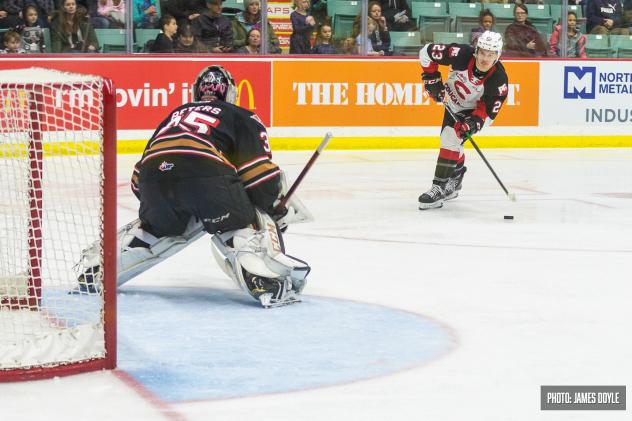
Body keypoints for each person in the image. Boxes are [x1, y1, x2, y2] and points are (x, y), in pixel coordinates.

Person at [75, 65, 312, 308]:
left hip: (152, 179)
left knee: (159, 227)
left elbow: (138, 178)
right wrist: (273, 206)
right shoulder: (242, 115)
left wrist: (162, 207)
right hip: (205, 173)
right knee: (246, 218)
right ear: (230, 93)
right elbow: (258, 176)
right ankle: (265, 279)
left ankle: (98, 268)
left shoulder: (175, 114)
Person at [418, 31, 508, 209]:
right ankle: (456, 178)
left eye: (491, 55)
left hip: (472, 111)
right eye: (483, 52)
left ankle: (439, 187)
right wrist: (432, 80)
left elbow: (488, 112)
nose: (485, 58)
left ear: (497, 56)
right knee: (451, 140)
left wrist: (472, 124)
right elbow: (426, 52)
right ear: (476, 50)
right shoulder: (461, 54)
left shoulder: (499, 79)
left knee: (451, 138)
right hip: (452, 102)